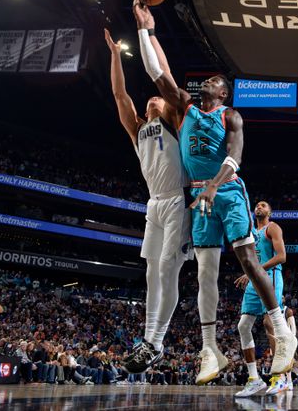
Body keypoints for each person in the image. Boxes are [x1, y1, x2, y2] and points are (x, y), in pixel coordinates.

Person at [132, 0, 297, 382]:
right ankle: (210, 349)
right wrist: (145, 29)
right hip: (198, 196)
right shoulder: (186, 107)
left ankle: (282, 332)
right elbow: (157, 70)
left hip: (228, 192)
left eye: (215, 81)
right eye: (206, 80)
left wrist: (213, 188)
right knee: (205, 271)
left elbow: (234, 160)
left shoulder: (230, 116)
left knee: (247, 260)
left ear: (223, 93)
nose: (207, 81)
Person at [103, 29, 193, 374]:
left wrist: (151, 34)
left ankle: (156, 341)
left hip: (178, 201)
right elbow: (118, 93)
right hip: (153, 204)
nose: (153, 99)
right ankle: (149, 342)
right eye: (150, 100)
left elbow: (167, 80)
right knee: (152, 273)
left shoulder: (173, 119)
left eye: (158, 98)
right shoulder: (138, 129)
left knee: (168, 269)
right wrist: (114, 55)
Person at [234, 201, 290, 397]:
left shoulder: (272, 227)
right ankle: (254, 379)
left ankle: (279, 377)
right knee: (243, 326)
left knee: (269, 322)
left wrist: (254, 272)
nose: (259, 207)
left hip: (271, 276)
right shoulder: (249, 231)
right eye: (257, 205)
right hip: (253, 280)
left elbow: (282, 256)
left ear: (270, 211)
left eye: (264, 205)